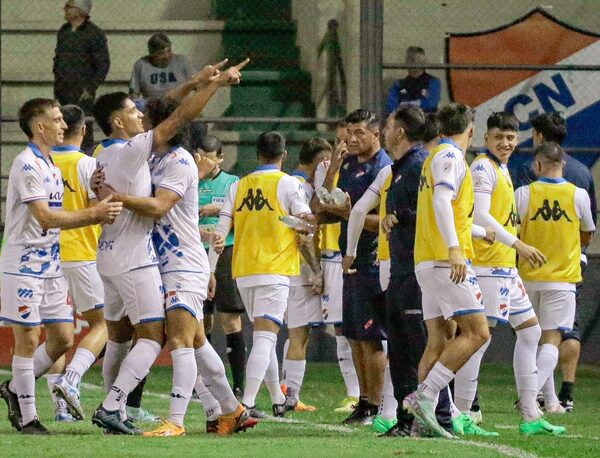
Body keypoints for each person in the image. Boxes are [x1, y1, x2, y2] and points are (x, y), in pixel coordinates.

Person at [88, 59, 247, 435]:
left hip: (181, 261)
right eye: (133, 111)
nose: (140, 116)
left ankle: (176, 420)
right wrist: (200, 83)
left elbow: (159, 206)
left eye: (143, 114)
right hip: (154, 259)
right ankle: (227, 409)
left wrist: (206, 84)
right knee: (189, 338)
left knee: (177, 338)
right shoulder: (143, 154)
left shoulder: (175, 161)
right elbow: (168, 112)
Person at [0, 98, 121, 435]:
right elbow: (45, 216)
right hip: (23, 266)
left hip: (52, 264)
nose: (62, 125)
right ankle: (27, 417)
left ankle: (12, 389)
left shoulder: (52, 165)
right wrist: (94, 214)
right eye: (55, 120)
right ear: (40, 127)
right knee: (27, 339)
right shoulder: (27, 165)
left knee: (64, 339)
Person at [463, 111, 566, 436]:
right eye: (499, 137)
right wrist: (519, 245)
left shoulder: (502, 168)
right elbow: (480, 215)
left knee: (531, 332)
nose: (506, 143)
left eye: (510, 137)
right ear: (486, 138)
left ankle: (531, 415)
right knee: (478, 340)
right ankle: (464, 412)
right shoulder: (482, 167)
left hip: (505, 268)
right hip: (489, 266)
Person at [208, 131, 318, 418]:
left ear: (257, 154)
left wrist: (210, 271)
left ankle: (274, 397)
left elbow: (219, 233)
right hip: (275, 268)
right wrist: (305, 228)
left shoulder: (239, 185)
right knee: (266, 338)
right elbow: (305, 223)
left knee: (262, 335)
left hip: (243, 270)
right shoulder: (289, 184)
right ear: (284, 155)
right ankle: (248, 403)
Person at [403, 103, 492, 438]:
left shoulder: (434, 156)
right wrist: (455, 248)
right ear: (470, 129)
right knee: (478, 333)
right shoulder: (452, 157)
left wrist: (479, 233)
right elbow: (442, 201)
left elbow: (449, 212)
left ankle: (419, 424)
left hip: (428, 258)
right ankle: (424, 396)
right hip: (444, 259)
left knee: (438, 339)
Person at [344, 106, 426, 434]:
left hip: (420, 266)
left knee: (421, 344)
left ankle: (444, 411)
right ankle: (399, 415)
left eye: (388, 126)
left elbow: (436, 211)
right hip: (394, 267)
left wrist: (401, 217)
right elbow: (359, 211)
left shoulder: (420, 166)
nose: (383, 131)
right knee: (401, 345)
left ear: (400, 132)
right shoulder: (396, 169)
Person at [511, 112, 597, 412]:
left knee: (531, 336)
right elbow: (588, 233)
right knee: (552, 337)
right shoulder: (579, 192)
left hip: (528, 274)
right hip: (562, 275)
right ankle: (530, 394)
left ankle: (551, 401)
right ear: (564, 165)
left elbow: (514, 230)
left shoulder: (523, 192)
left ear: (537, 165)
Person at [44, 105, 109, 424]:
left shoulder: (44, 163)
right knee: (103, 324)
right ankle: (72, 379)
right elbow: (102, 210)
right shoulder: (88, 165)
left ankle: (59, 407)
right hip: (82, 254)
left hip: (48, 257)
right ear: (83, 130)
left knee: (57, 334)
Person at [327, 109, 392, 425]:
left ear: (376, 134)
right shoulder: (350, 163)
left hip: (371, 260)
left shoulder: (384, 168)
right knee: (353, 335)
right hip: (348, 260)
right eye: (348, 133)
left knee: (371, 336)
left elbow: (386, 221)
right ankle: (364, 400)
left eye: (359, 133)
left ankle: (376, 405)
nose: (351, 139)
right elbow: (331, 204)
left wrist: (348, 215)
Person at [312, 120, 361, 414]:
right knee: (340, 327)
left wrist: (337, 208)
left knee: (362, 328)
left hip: (355, 253)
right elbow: (321, 203)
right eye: (340, 140)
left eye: (350, 139)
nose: (346, 145)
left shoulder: (365, 169)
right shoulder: (327, 167)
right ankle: (353, 393)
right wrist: (333, 168)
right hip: (331, 253)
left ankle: (370, 392)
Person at [194, 134, 248, 398]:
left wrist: (221, 210)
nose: (203, 163)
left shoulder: (233, 183)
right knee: (199, 320)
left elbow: (244, 216)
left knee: (230, 318)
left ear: (220, 159)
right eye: (199, 157)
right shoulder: (188, 180)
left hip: (224, 251)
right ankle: (200, 383)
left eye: (209, 158)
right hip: (194, 254)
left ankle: (239, 385)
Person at [281, 137, 331, 412]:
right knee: (299, 332)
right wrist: (315, 270)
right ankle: (291, 396)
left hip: (287, 265)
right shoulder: (300, 188)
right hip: (299, 267)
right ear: (320, 159)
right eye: (328, 160)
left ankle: (286, 388)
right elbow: (303, 234)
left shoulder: (293, 184)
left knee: (295, 332)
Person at [53, 0, 110, 151]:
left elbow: (103, 64)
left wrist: (90, 89)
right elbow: (58, 59)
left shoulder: (94, 33)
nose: (65, 9)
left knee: (82, 127)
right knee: (62, 126)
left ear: (81, 11)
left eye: (69, 6)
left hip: (81, 92)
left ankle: (84, 159)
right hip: (62, 89)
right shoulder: (64, 31)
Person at [129, 33, 195, 100]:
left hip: (181, 107)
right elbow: (134, 94)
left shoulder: (182, 62)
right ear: (151, 54)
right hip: (152, 108)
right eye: (161, 53)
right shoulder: (141, 65)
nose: (166, 56)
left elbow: (198, 84)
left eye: (169, 51)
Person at [384, 47, 441, 116]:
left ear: (424, 63)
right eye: (410, 61)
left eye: (418, 62)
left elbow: (431, 104)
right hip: (403, 122)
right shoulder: (398, 84)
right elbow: (390, 107)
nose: (414, 66)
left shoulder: (433, 82)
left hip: (426, 122)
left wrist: (407, 105)